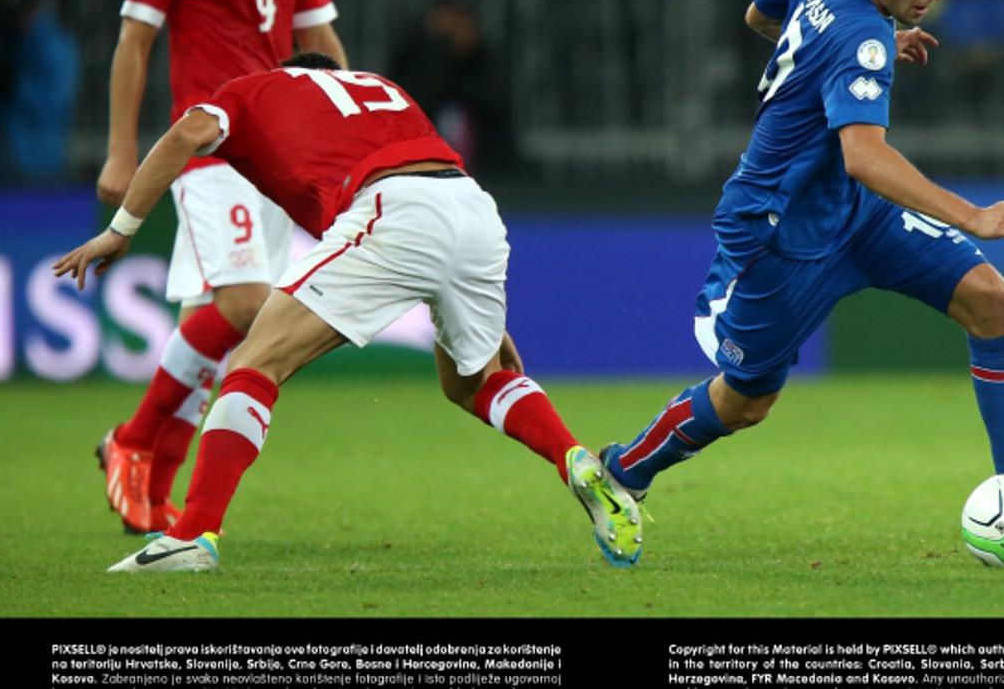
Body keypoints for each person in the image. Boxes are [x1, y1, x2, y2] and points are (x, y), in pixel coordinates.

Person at [599, 0, 1004, 551]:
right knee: (746, 400)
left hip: (857, 217)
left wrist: (843, 55)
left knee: (996, 304)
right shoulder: (861, 37)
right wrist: (974, 215)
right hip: (779, 234)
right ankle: (622, 470)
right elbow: (864, 157)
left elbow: (759, 14)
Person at [55, 53, 644, 572]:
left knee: (256, 362)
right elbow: (434, 218)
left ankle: (191, 535)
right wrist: (488, 322)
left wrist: (121, 230)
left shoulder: (259, 89)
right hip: (472, 206)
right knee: (477, 382)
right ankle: (574, 457)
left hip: (392, 204)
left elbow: (187, 132)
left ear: (293, 73)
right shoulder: (380, 90)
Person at [94, 0, 348, 536]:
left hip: (276, 157)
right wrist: (122, 151)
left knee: (208, 334)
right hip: (209, 148)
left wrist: (353, 131)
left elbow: (319, 43)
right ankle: (134, 441)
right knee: (244, 307)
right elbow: (134, 40)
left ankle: (149, 484)